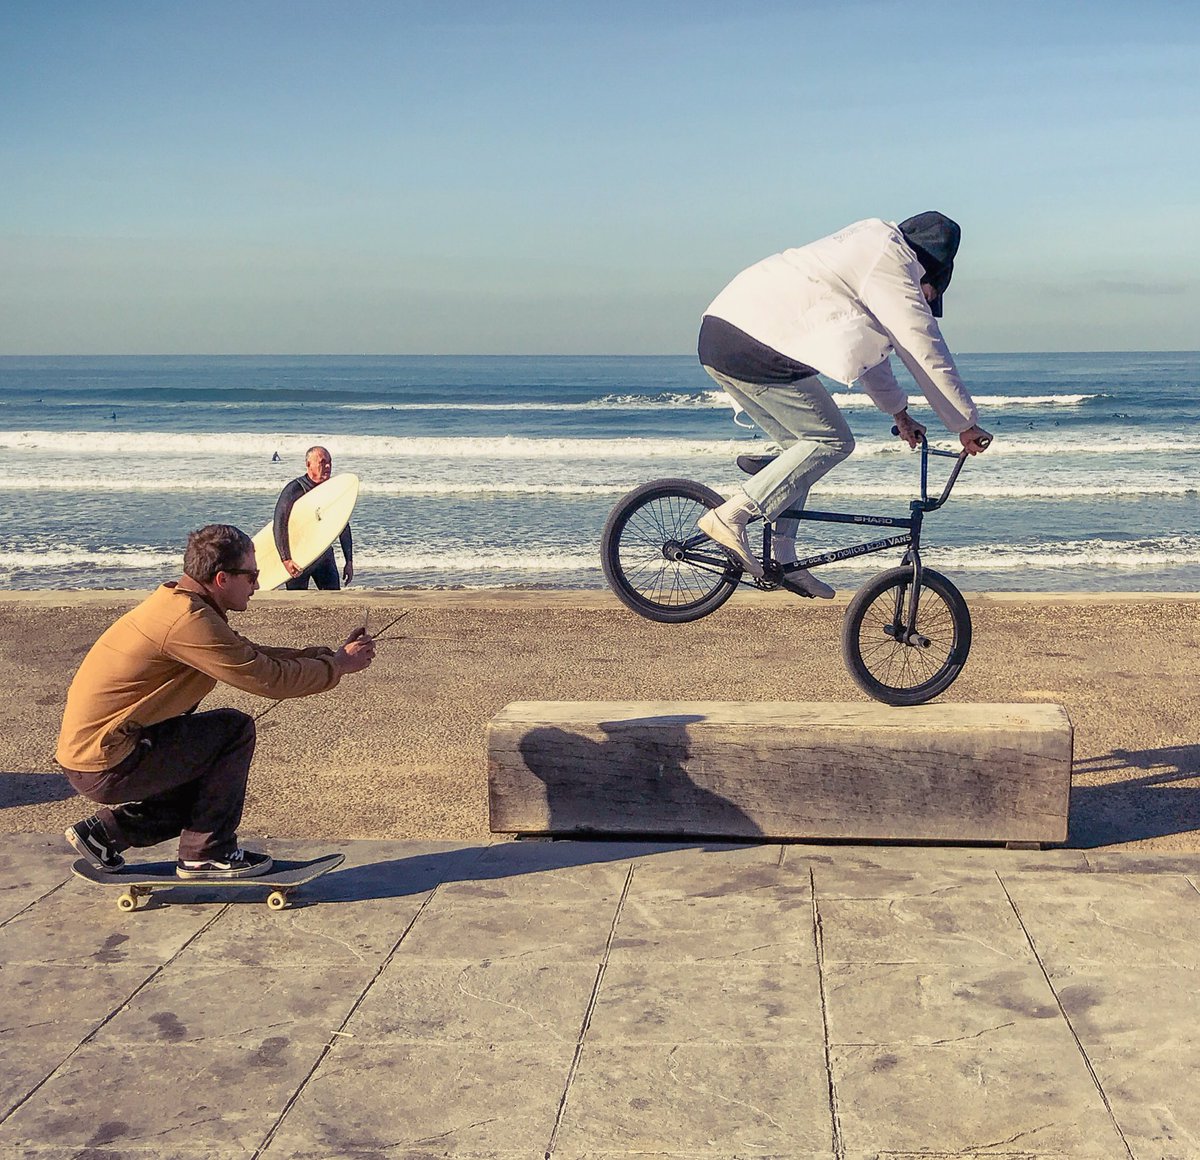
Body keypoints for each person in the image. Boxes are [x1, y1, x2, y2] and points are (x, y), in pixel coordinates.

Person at [696, 212, 992, 599]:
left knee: (800, 452)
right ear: (930, 272)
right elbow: (923, 347)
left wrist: (899, 413)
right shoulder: (893, 265)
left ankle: (784, 558)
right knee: (832, 441)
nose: (927, 300)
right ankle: (732, 515)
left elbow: (871, 354)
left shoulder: (868, 252)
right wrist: (965, 424)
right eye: (931, 293)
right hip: (755, 345)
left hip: (721, 335)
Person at [57, 523, 376, 879]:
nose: (257, 585)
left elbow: (250, 654)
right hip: (107, 761)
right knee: (232, 730)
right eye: (252, 575)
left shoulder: (183, 604)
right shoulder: (187, 620)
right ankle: (207, 853)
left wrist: (327, 657)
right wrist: (338, 667)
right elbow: (269, 678)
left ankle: (104, 835)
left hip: (97, 753)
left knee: (211, 789)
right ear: (223, 579)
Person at [274, 446, 354, 590]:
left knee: (333, 600)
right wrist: (286, 559)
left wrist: (349, 561)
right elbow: (279, 525)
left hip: (324, 557)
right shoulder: (294, 489)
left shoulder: (332, 491)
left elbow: (343, 525)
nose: (328, 466)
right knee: (296, 603)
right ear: (309, 465)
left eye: (330, 462)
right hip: (299, 557)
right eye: (323, 462)